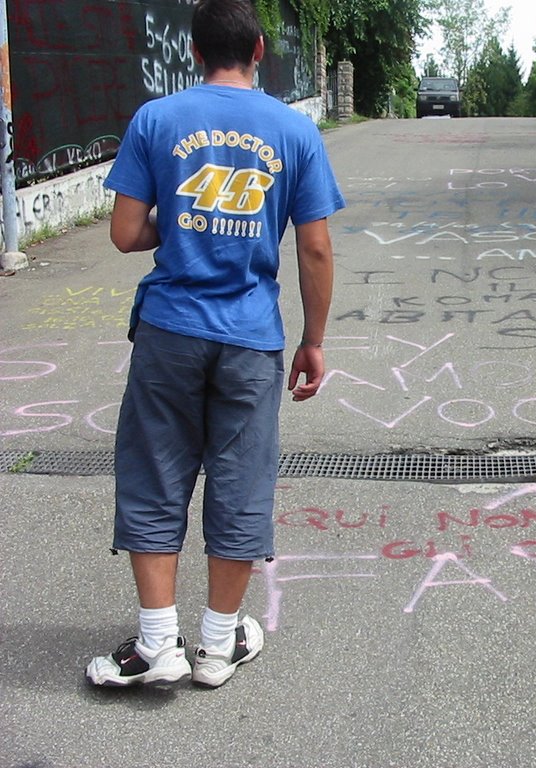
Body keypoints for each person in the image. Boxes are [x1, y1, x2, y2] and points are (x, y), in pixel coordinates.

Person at [85, 0, 344, 688]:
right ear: (260, 50)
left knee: (155, 474)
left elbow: (124, 233)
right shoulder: (294, 129)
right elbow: (315, 249)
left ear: (195, 53)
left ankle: (155, 644)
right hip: (251, 338)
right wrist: (312, 341)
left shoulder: (156, 120)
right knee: (240, 483)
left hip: (170, 331)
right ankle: (216, 646)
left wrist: (181, 228)